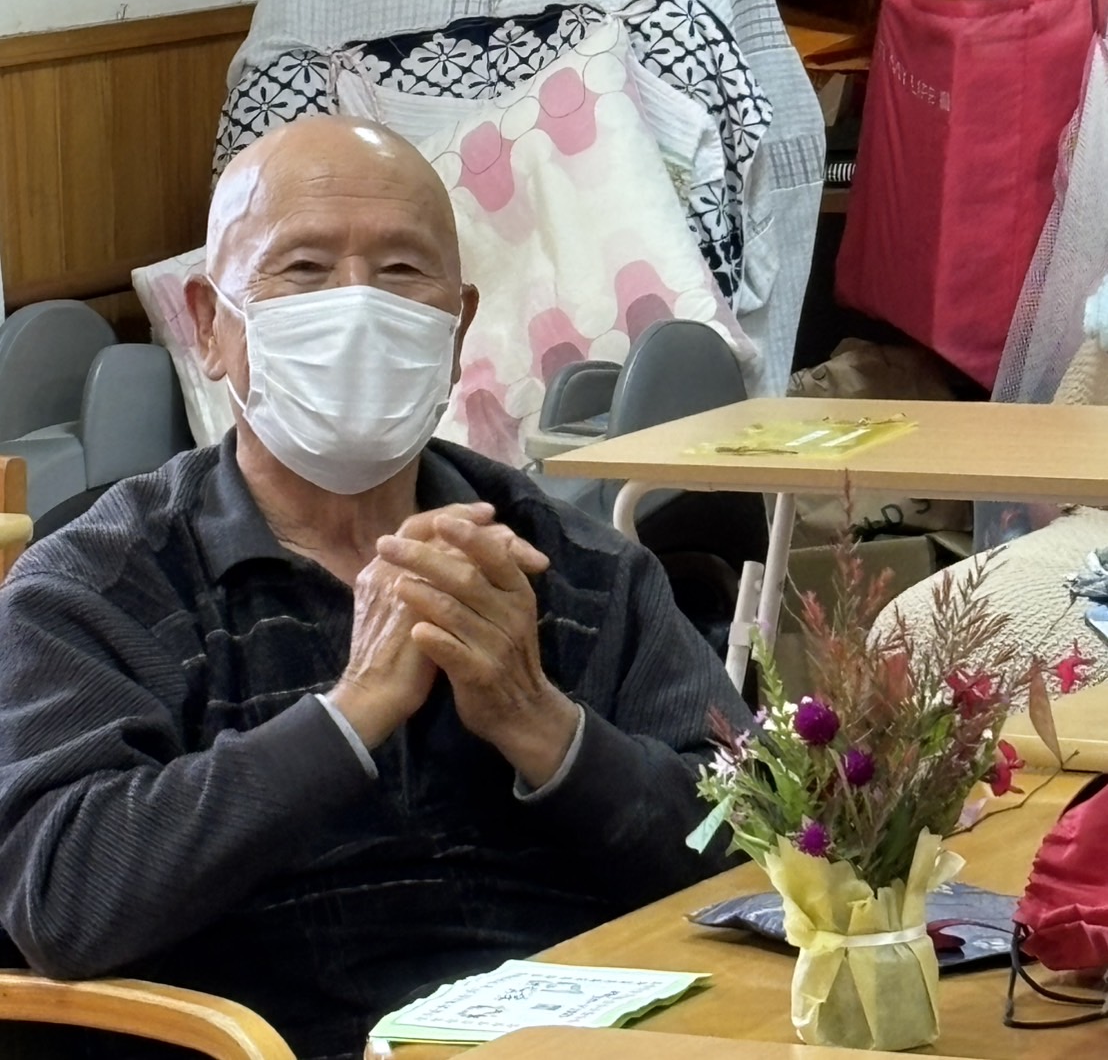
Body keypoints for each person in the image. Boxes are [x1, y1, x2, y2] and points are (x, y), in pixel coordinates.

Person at [0, 116, 750, 1060]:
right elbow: (63, 898)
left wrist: (537, 722)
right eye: (304, 269)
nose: (356, 307)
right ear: (209, 324)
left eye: (401, 271)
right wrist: (348, 717)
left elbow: (751, 845)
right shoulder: (97, 586)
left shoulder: (572, 563)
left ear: (458, 325)